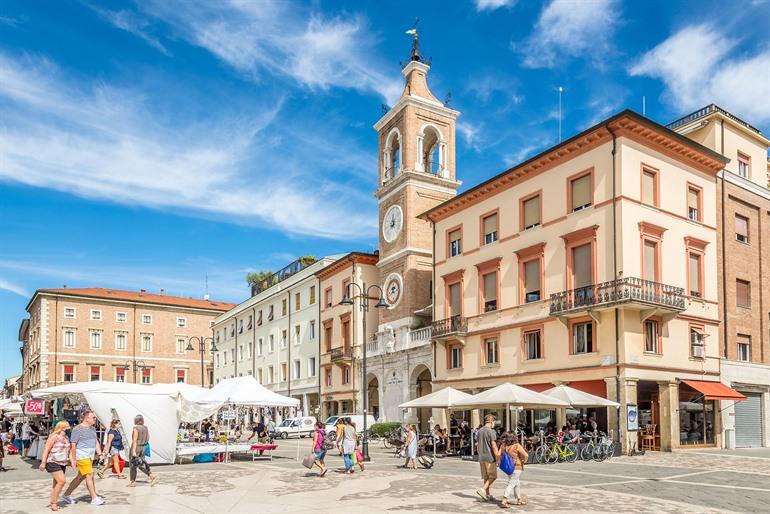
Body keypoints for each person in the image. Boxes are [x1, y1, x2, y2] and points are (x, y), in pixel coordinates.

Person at [62, 410, 105, 506]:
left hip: (90, 456)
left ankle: (66, 494)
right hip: (81, 455)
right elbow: (73, 445)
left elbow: (96, 442)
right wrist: (73, 460)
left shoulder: (93, 429)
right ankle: (94, 498)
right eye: (93, 417)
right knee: (90, 475)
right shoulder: (77, 429)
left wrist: (100, 454)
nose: (95, 419)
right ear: (87, 418)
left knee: (80, 477)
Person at [39, 421, 71, 511]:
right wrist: (43, 462)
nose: (70, 428)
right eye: (68, 426)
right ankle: (54, 503)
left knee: (56, 483)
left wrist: (72, 461)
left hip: (62, 462)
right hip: (52, 461)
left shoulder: (66, 437)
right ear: (62, 428)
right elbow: (46, 450)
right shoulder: (53, 437)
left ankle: (53, 501)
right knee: (62, 481)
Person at [500, 433, 529, 508]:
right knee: (511, 484)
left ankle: (519, 500)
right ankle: (504, 499)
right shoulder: (517, 446)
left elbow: (501, 455)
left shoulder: (505, 446)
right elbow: (526, 455)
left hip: (509, 468)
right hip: (517, 467)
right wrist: (524, 461)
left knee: (517, 484)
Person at [476, 414, 500, 502]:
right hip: (490, 457)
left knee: (486, 477)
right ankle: (482, 490)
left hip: (481, 457)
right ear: (491, 421)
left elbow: (477, 445)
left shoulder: (480, 431)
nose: (494, 423)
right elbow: (494, 446)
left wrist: (480, 454)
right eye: (494, 421)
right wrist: (498, 457)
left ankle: (487, 494)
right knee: (493, 476)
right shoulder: (491, 431)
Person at [129, 414, 157, 487]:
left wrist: (134, 451)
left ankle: (133, 481)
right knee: (141, 463)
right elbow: (148, 438)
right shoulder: (146, 428)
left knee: (133, 464)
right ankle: (151, 475)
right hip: (143, 447)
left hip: (137, 447)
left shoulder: (135, 428)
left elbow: (134, 441)